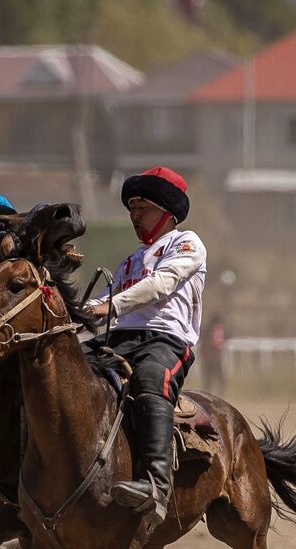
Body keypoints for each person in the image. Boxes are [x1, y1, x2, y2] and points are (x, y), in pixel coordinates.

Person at [84, 166, 207, 528]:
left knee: (151, 378)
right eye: (132, 210)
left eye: (144, 208)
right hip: (117, 340)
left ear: (167, 213)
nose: (135, 216)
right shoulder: (129, 261)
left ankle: (155, 484)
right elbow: (104, 299)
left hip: (165, 340)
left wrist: (110, 306)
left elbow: (159, 285)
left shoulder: (187, 243)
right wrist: (74, 316)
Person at [202, 314, 228, 395]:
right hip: (216, 357)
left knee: (208, 377)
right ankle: (221, 392)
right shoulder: (218, 329)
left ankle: (207, 392)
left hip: (208, 357)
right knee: (219, 376)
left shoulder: (207, 329)